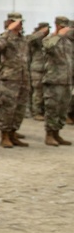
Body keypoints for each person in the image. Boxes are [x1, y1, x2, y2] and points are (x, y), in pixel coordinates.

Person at [0, 13, 31, 148]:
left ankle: (13, 133)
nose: (20, 25)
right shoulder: (3, 37)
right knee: (7, 107)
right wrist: (8, 31)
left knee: (20, 108)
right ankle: (4, 135)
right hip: (9, 78)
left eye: (21, 22)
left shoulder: (23, 39)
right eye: (17, 22)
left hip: (23, 78)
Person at [41, 16, 73, 147]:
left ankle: (57, 133)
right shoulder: (50, 39)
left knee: (62, 109)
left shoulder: (68, 42)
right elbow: (48, 47)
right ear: (58, 26)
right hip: (54, 80)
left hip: (67, 80)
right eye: (64, 27)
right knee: (52, 108)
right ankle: (49, 134)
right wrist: (59, 35)